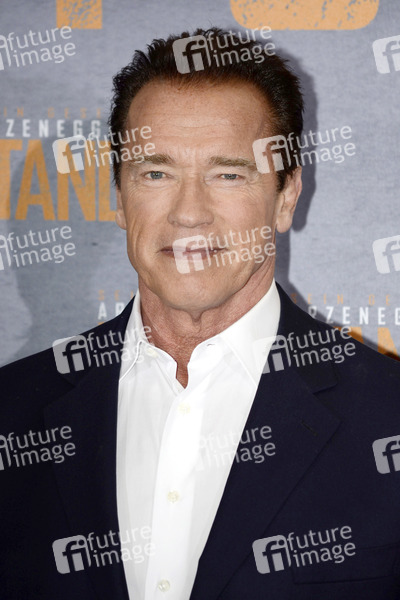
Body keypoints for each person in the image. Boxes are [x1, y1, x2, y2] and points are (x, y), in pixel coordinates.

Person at [1, 27, 400, 600]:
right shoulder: (12, 414)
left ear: (286, 196)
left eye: (228, 174)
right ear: (119, 195)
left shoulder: (387, 418)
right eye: (156, 173)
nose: (189, 213)